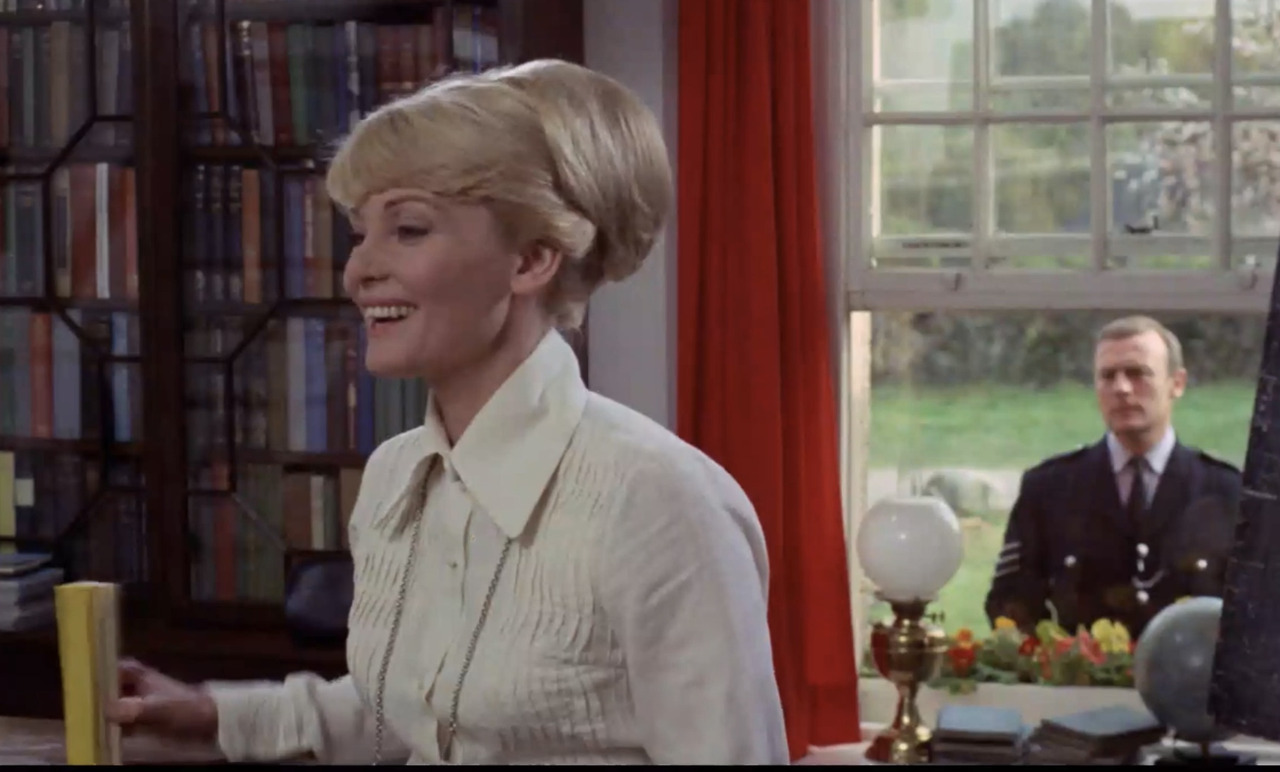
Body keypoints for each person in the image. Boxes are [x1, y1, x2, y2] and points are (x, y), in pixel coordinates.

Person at [107, 59, 789, 765]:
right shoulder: (395, 477)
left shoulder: (658, 503)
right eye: (359, 232)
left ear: (531, 260)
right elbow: (412, 713)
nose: (359, 270)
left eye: (407, 229)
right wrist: (212, 716)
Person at [985, 315, 1242, 639]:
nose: (1121, 388)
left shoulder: (1227, 492)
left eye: (1137, 373)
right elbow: (1010, 603)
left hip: (1188, 670)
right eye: (1107, 376)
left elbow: (1256, 612)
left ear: (1176, 383)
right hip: (1075, 670)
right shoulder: (1049, 489)